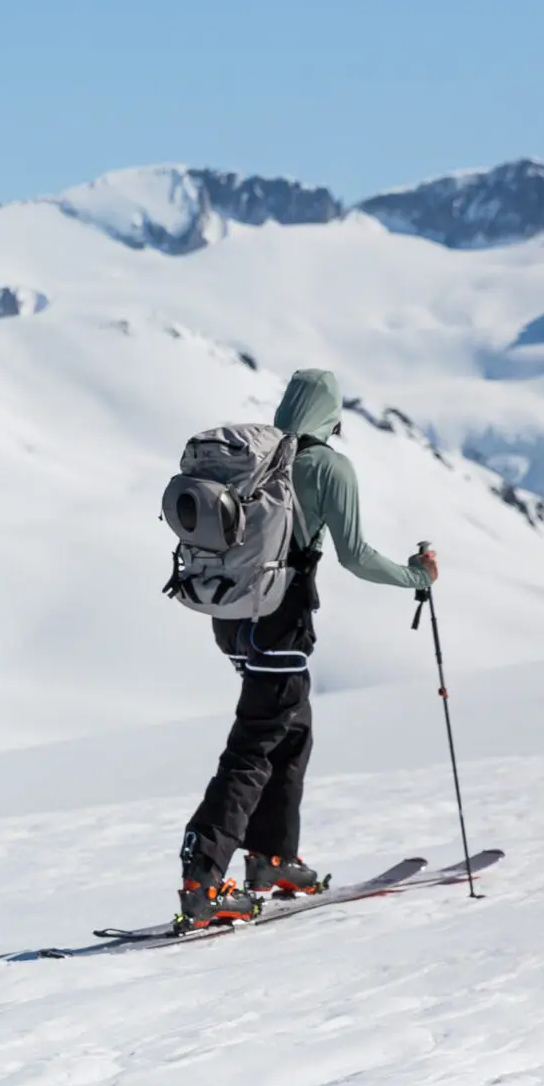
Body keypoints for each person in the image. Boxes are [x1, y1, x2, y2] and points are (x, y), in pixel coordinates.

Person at [178, 369, 436, 928]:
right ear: (330, 414)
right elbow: (357, 556)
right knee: (255, 745)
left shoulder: (257, 459)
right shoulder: (327, 466)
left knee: (290, 731)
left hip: (232, 614)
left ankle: (274, 859)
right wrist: (415, 577)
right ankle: (203, 880)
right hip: (280, 617)